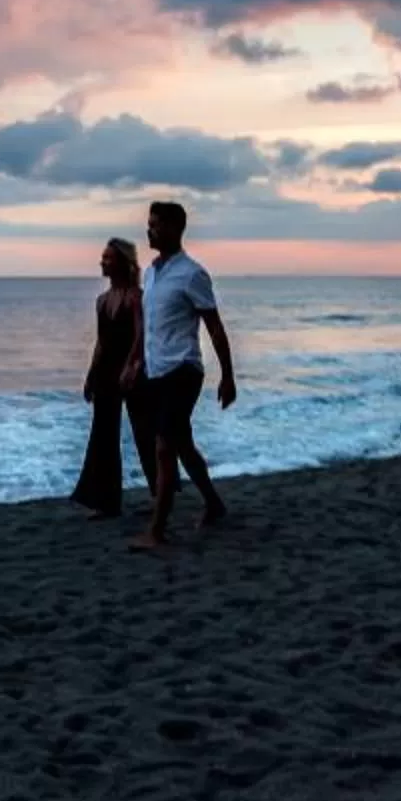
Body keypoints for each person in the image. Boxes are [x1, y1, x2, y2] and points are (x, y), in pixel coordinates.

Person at [123, 200, 232, 550]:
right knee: (181, 443)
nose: (149, 230)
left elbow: (214, 326)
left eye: (155, 225)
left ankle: (156, 531)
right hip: (156, 371)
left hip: (183, 370)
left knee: (164, 448)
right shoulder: (151, 273)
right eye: (149, 224)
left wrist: (227, 375)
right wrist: (135, 361)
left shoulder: (192, 274)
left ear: (174, 228)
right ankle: (213, 504)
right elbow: (149, 324)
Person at [71, 237, 154, 518]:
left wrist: (132, 365)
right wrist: (90, 375)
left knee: (145, 433)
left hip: (134, 373)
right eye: (103, 257)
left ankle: (161, 493)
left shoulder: (136, 297)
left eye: (108, 258)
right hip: (106, 372)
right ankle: (106, 502)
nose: (102, 262)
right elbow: (101, 342)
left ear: (122, 262)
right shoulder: (102, 301)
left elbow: (141, 335)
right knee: (103, 436)